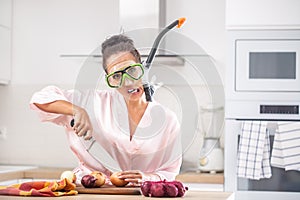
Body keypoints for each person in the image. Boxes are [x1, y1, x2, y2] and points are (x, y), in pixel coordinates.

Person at [30, 34, 182, 185]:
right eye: (116, 76)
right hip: (89, 192)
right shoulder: (91, 102)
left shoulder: (168, 120)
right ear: (109, 79)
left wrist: (146, 178)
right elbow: (41, 98)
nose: (128, 82)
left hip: (139, 195)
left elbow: (169, 171)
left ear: (142, 68)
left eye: (132, 71)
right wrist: (76, 110)